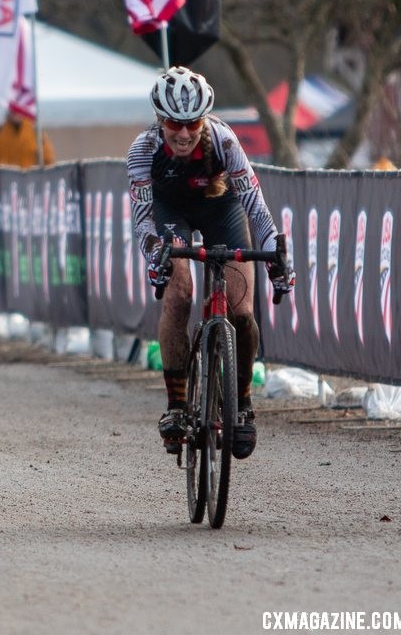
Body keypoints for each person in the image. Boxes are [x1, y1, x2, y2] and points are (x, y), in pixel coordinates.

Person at [126, 66, 294, 459]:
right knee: (179, 293)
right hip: (171, 213)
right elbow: (142, 218)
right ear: (159, 120)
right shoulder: (142, 149)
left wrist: (277, 259)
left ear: (204, 120)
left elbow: (256, 206)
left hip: (223, 210)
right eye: (173, 123)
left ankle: (243, 404)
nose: (183, 133)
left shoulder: (224, 141)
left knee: (241, 312)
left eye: (192, 123)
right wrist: (155, 253)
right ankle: (177, 407)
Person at [0, 100, 56, 168]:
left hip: (28, 179)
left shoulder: (35, 133)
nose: (16, 114)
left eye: (18, 109)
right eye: (13, 110)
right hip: (4, 178)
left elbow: (48, 160)